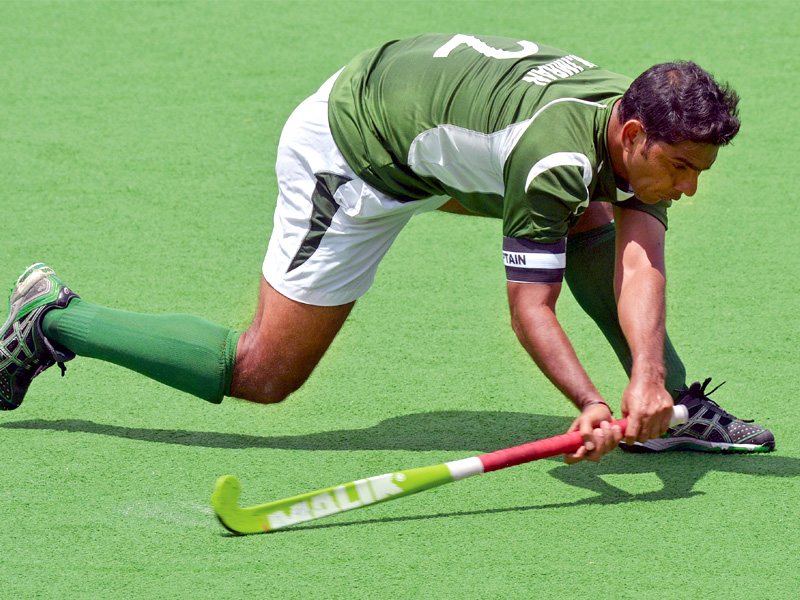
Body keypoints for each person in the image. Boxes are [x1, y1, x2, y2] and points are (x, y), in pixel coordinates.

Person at [0, 34, 774, 463]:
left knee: (596, 225)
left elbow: (640, 258)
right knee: (265, 373)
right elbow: (528, 307)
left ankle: (676, 409)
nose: (690, 188)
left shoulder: (632, 122)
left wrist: (648, 382)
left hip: (436, 134)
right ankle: (53, 319)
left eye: (700, 172)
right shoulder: (557, 159)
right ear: (634, 135)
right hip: (357, 149)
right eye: (681, 169)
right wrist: (592, 405)